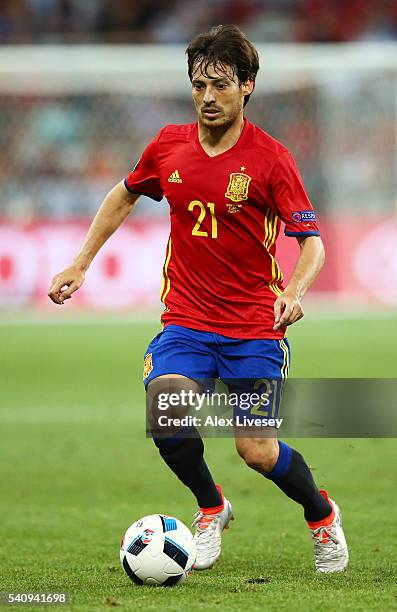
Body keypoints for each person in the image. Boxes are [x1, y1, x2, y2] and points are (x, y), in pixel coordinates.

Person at [48, 24, 348, 574]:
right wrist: (81, 261)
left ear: (248, 86)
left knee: (255, 450)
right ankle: (211, 507)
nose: (208, 98)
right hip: (186, 319)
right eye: (199, 85)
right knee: (166, 408)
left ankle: (322, 514)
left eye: (222, 86)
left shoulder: (272, 159)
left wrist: (294, 291)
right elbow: (124, 194)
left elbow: (312, 244)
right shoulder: (168, 145)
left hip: (255, 326)